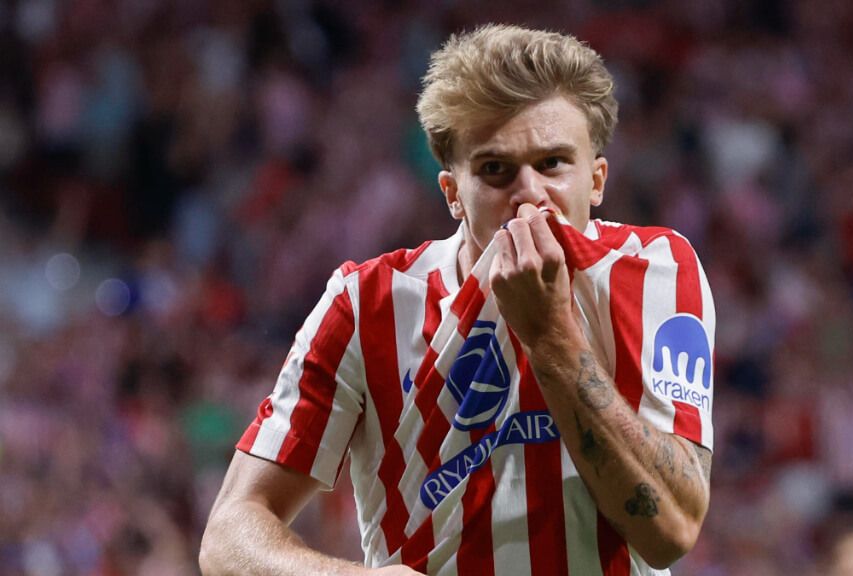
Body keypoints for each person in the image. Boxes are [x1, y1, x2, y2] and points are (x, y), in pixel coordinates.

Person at [200, 24, 715, 575]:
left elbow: (671, 529)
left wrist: (550, 336)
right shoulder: (366, 303)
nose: (529, 194)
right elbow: (229, 534)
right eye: (496, 170)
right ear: (452, 194)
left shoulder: (653, 269)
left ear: (596, 180)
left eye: (553, 164)